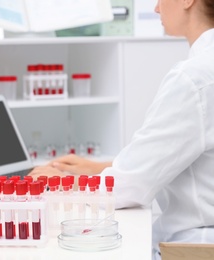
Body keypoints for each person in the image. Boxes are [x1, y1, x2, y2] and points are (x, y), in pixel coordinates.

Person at [28, 0, 214, 259]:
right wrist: (98, 168)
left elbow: (131, 187)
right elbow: (193, 160)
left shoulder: (194, 78)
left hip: (196, 245)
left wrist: (62, 182)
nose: (157, 8)